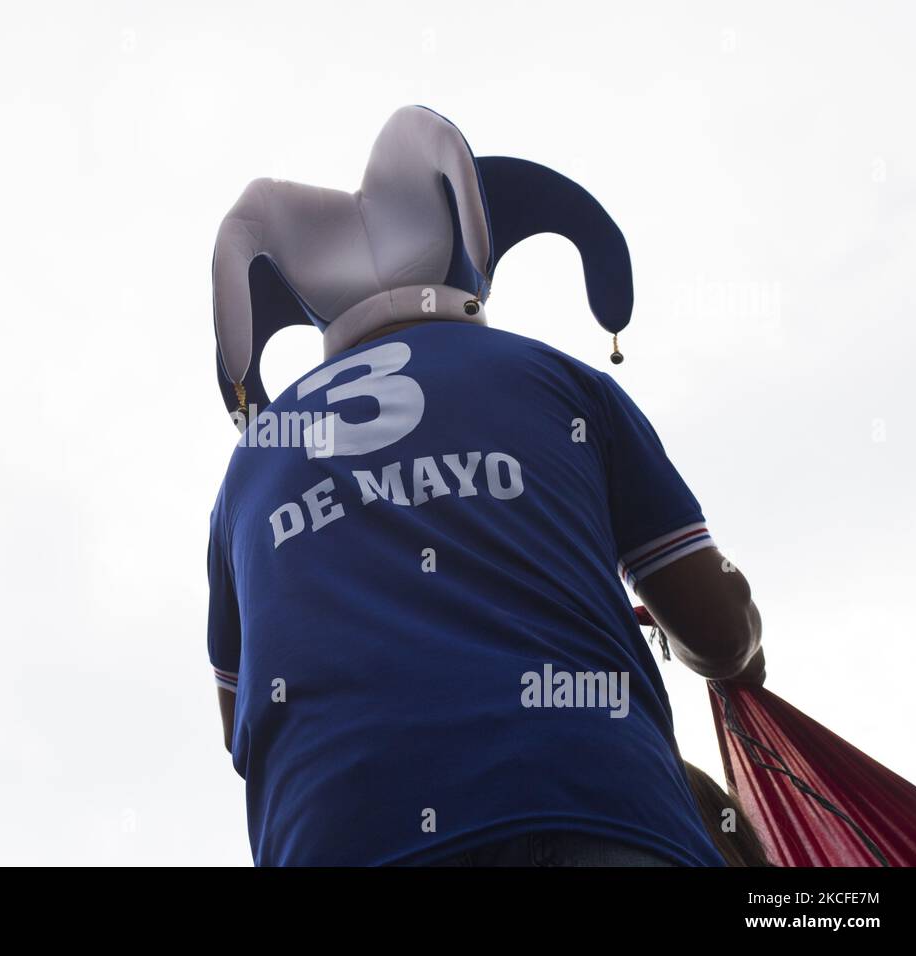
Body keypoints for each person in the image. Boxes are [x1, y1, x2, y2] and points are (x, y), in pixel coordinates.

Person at [205, 106, 763, 867]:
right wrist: (741, 649)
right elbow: (718, 632)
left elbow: (245, 724)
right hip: (591, 813)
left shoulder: (250, 470)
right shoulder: (557, 381)